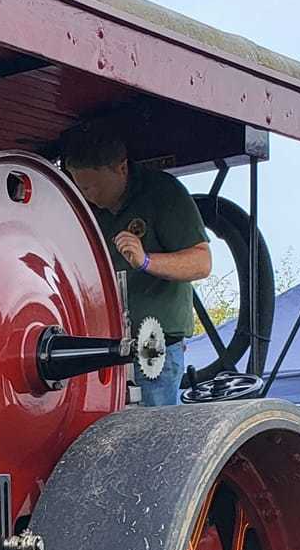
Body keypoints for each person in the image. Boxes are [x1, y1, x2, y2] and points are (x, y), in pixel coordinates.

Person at [58, 119, 213, 406]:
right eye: (81, 187)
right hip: (101, 350)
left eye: (92, 187)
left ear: (121, 168)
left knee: (154, 439)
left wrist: (145, 261)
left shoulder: (163, 193)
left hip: (154, 348)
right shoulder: (86, 206)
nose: (87, 195)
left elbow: (201, 263)